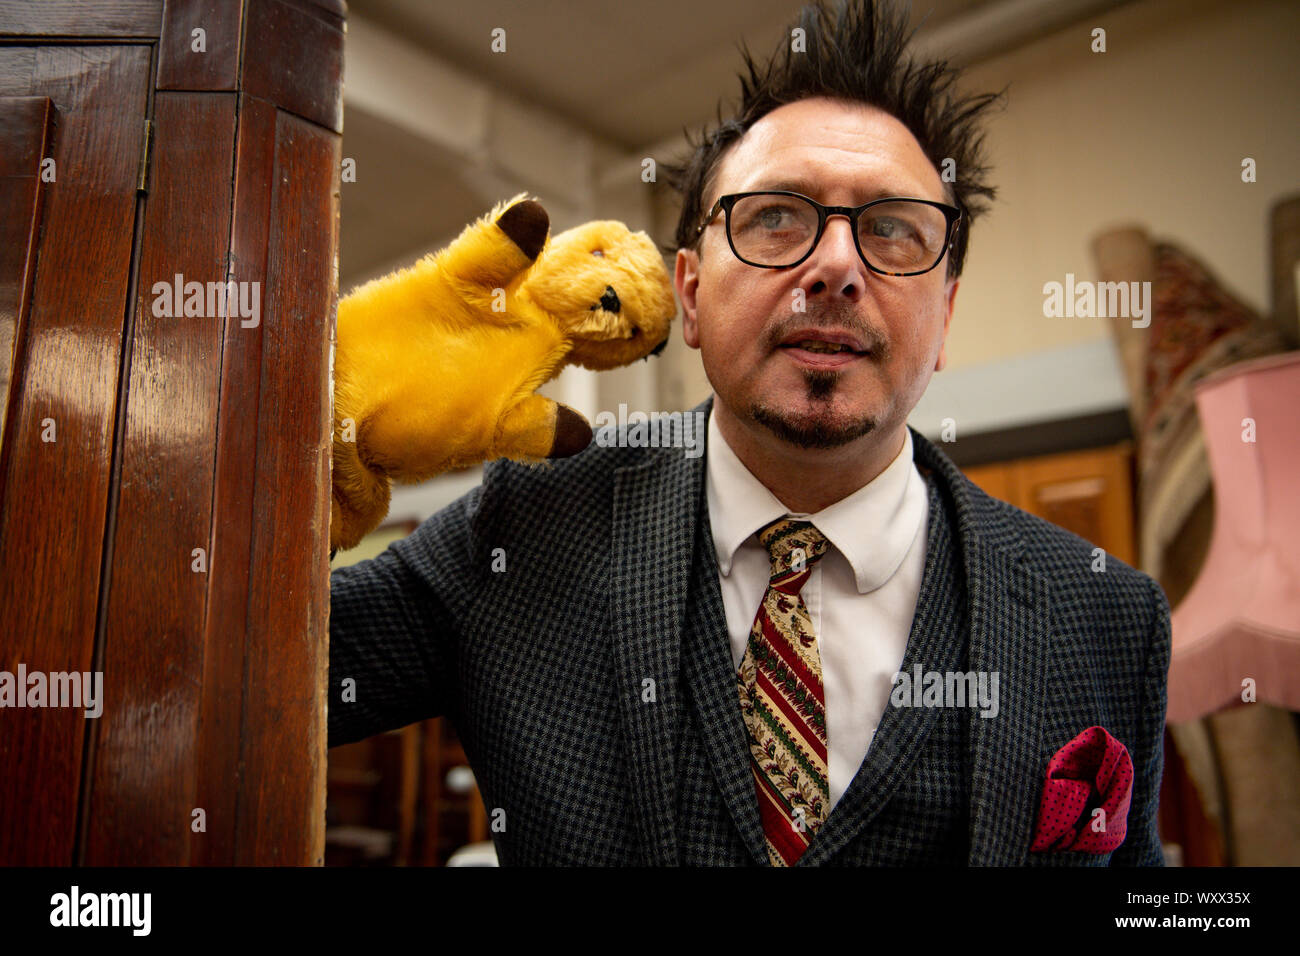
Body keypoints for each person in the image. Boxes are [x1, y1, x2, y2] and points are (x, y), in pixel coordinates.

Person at [328, 0, 1170, 866]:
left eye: (891, 228)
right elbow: (221, 686)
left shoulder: (1107, 616)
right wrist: (316, 438)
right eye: (776, 217)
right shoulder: (521, 534)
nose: (837, 267)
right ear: (688, 294)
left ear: (946, 311)